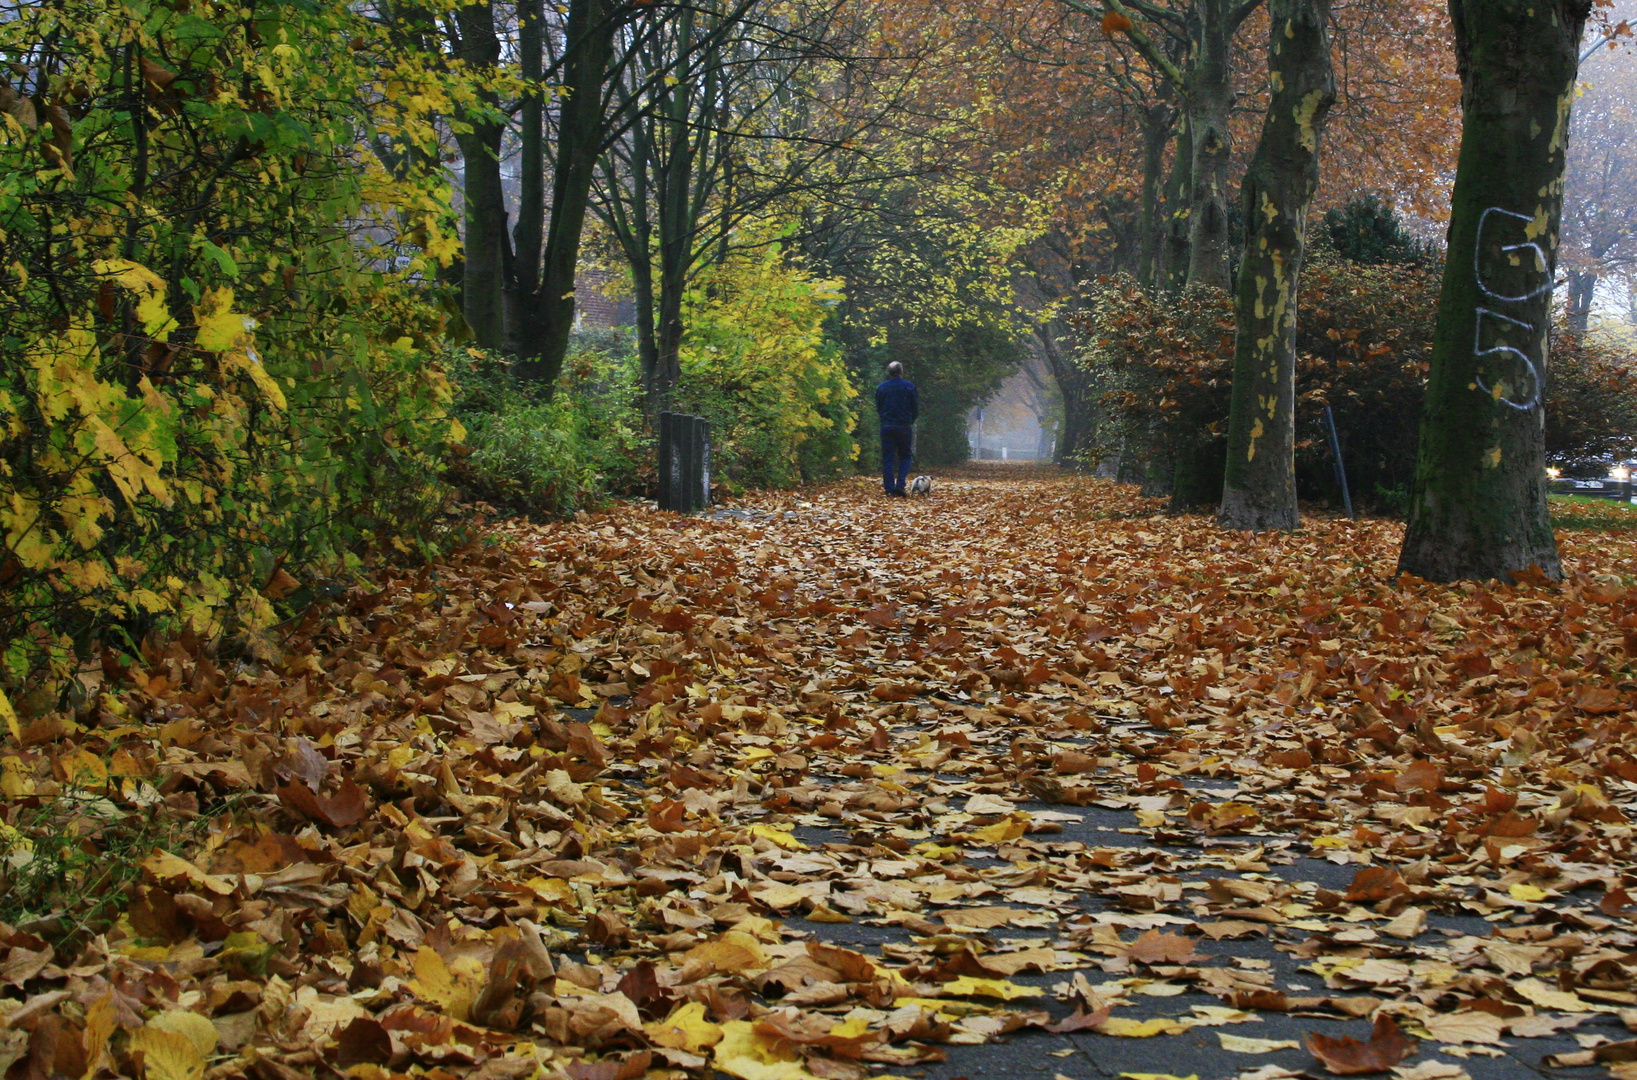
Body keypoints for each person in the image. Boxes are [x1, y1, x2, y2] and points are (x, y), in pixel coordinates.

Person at [874, 361, 918, 496]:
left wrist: (884, 419)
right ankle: (900, 485)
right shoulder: (909, 387)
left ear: (889, 372)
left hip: (887, 426)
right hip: (904, 425)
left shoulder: (882, 387)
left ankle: (889, 489)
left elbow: (878, 407)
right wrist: (911, 420)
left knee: (888, 458)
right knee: (905, 456)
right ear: (901, 372)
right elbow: (915, 407)